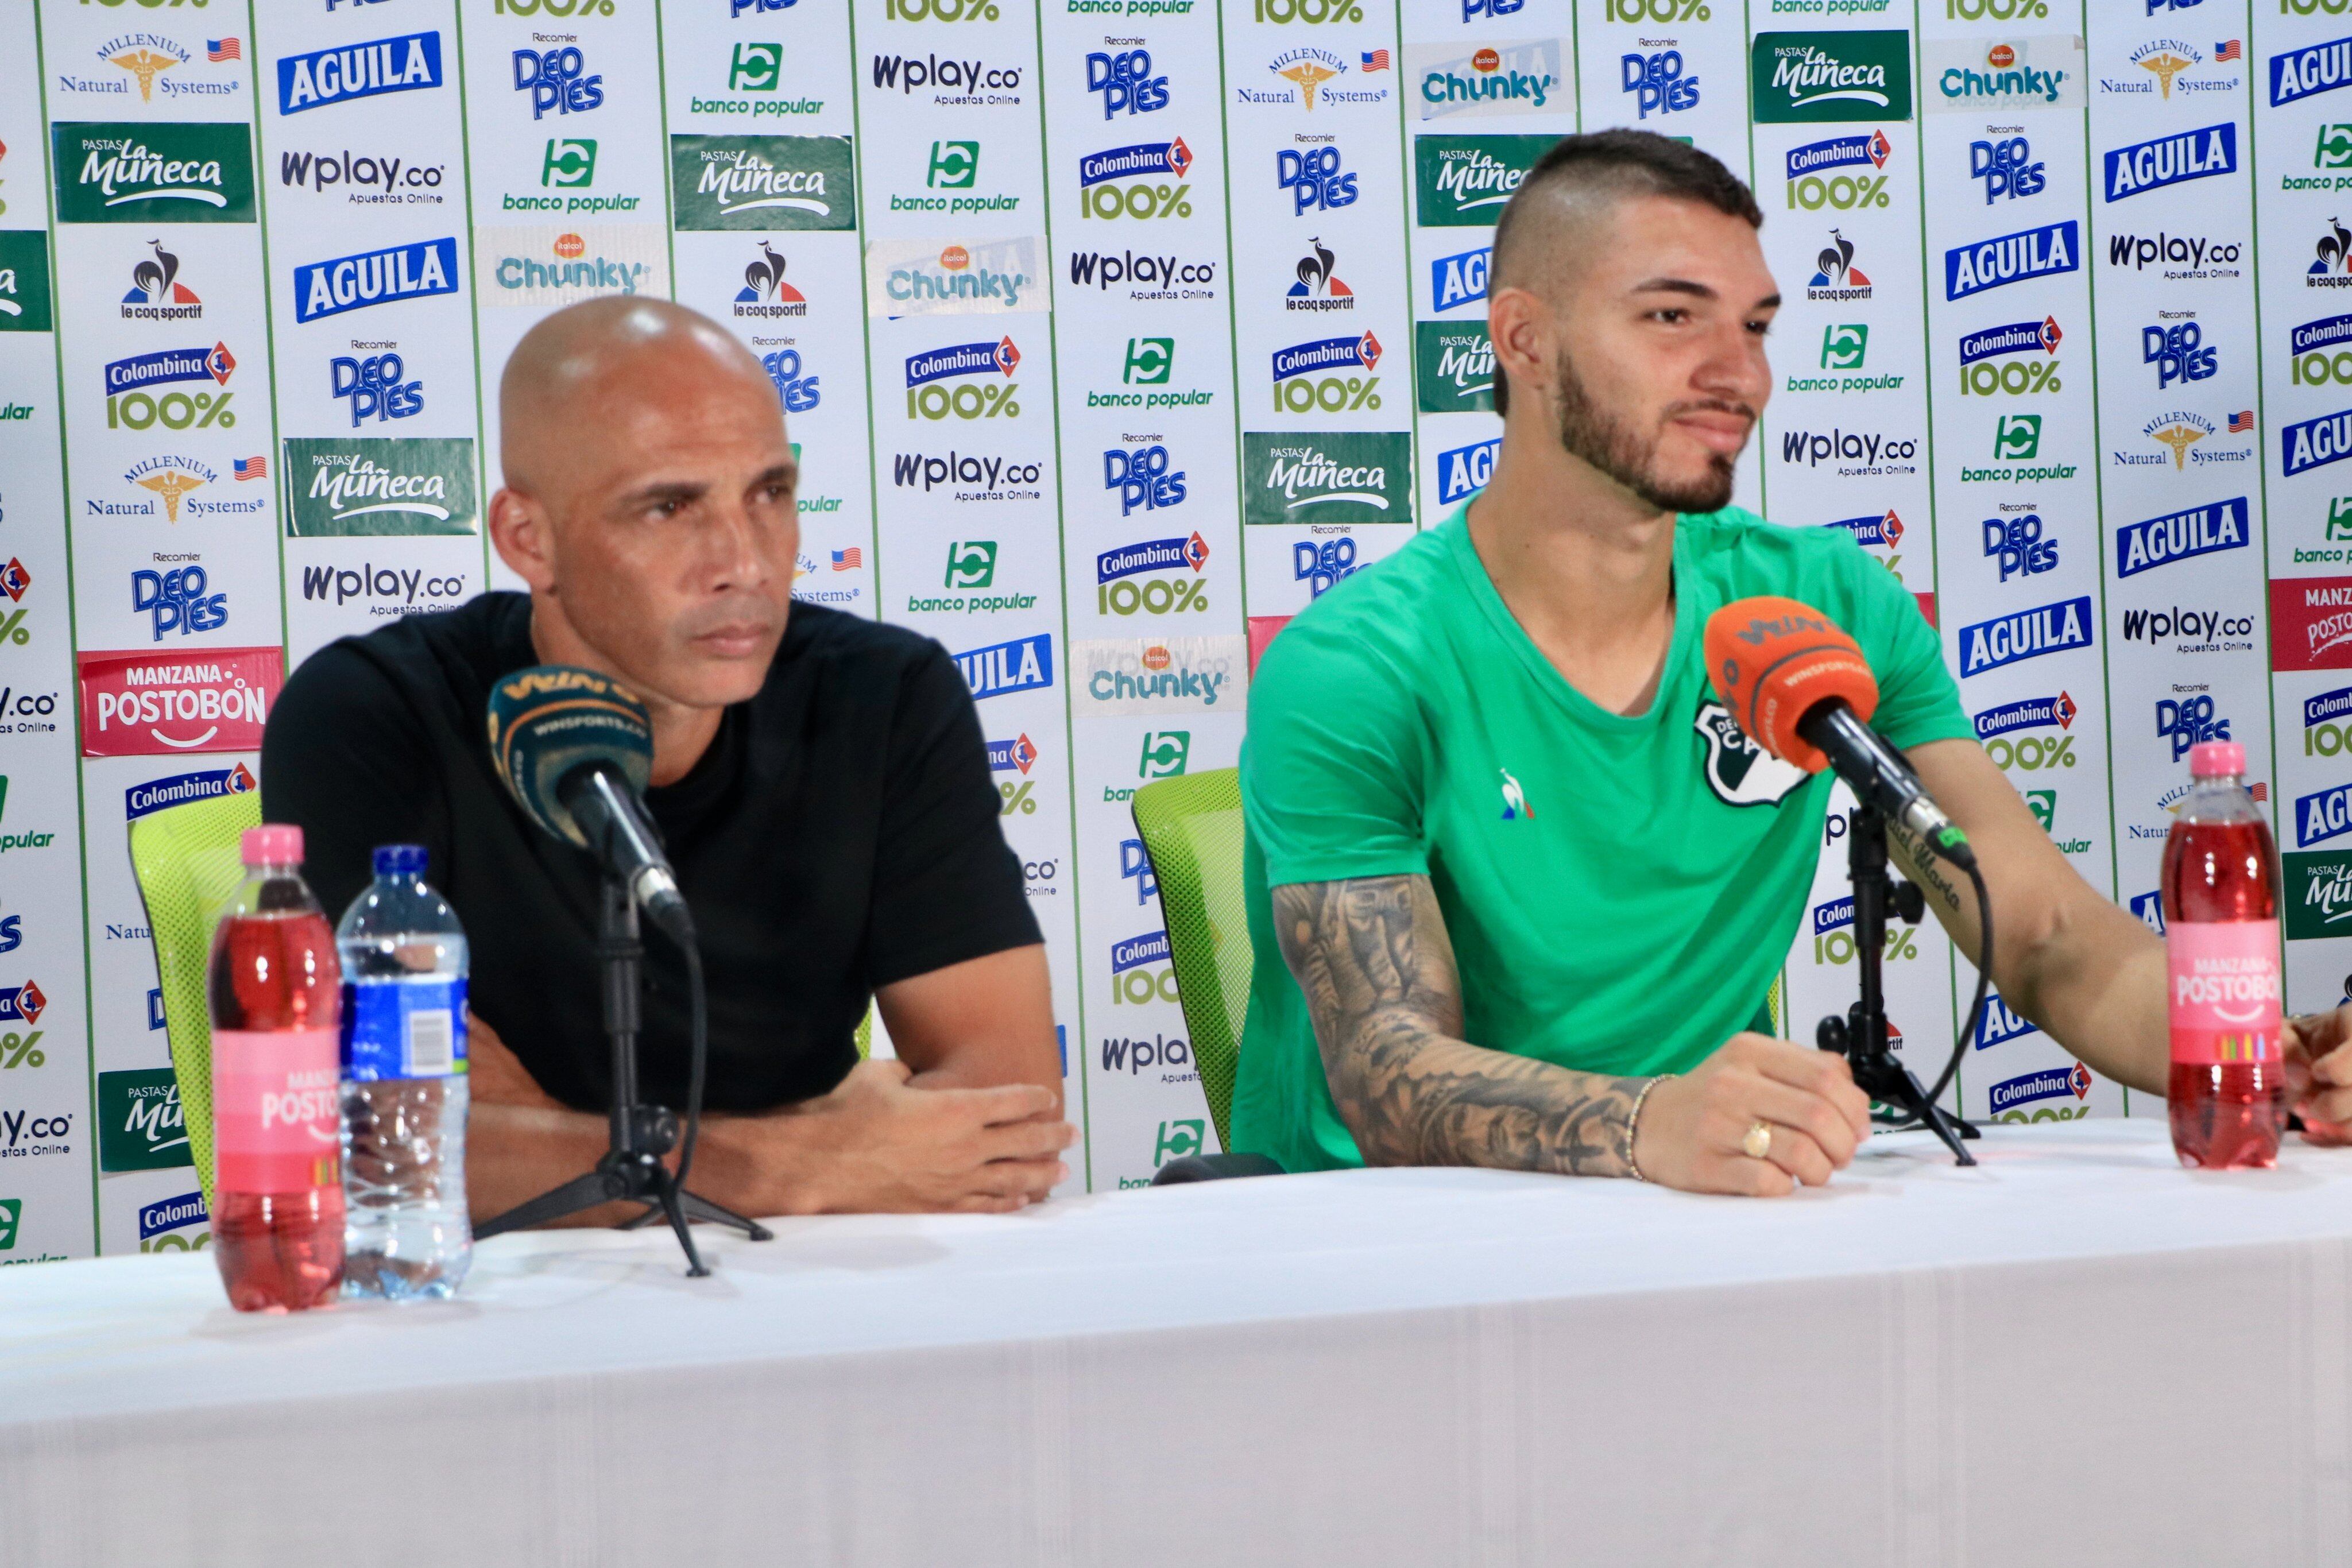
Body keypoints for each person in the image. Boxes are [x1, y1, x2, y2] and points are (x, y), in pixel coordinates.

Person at [1232, 129, 2352, 1192]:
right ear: (1523, 338)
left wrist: (2265, 1058)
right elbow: (1387, 1071)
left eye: (1757, 326)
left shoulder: (1824, 604)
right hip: (1382, 1251)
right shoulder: (1354, 665)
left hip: (1706, 1203)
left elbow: (2045, 933)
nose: (1739, 376)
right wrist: (1646, 1119)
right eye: (1673, 316)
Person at [264, 298, 1074, 1220]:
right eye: (668, 506)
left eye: (769, 493)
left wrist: (560, 1142)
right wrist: (807, 1160)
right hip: (493, 1313)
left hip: (801, 1294)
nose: (744, 563)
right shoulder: (373, 714)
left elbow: (1011, 1113)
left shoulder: (884, 697)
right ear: (529, 538)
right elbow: (380, 1146)